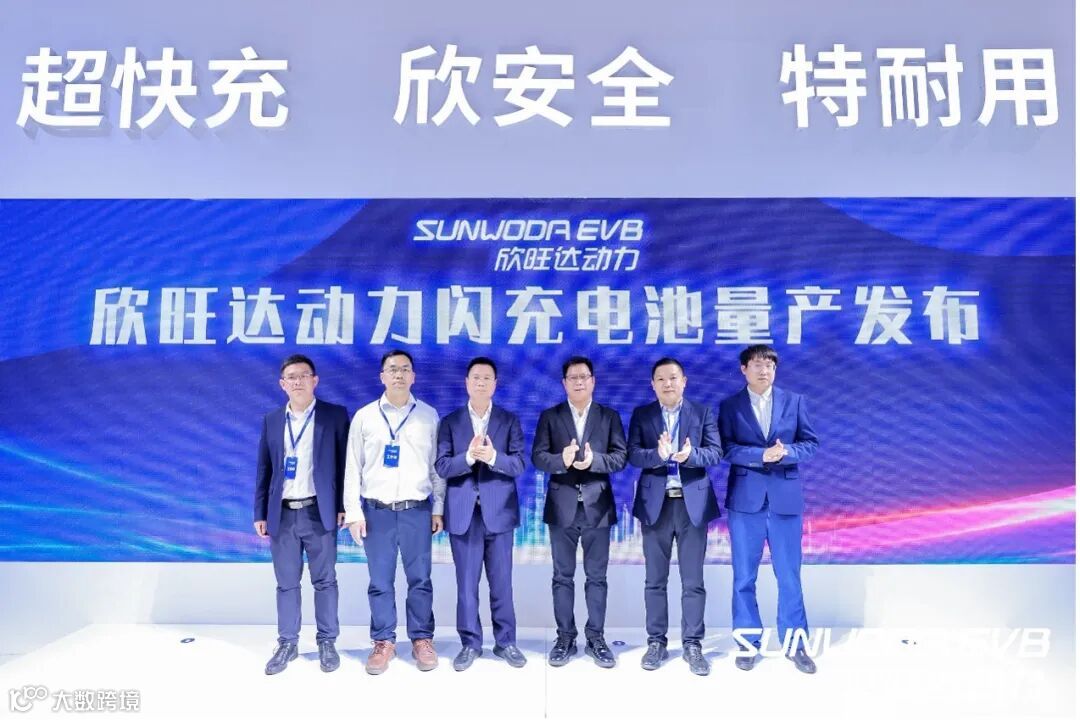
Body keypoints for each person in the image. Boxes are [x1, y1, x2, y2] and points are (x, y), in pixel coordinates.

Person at [718, 345, 820, 674]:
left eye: (770, 365)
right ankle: (748, 643)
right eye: (758, 365)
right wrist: (758, 455)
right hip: (745, 501)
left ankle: (795, 644)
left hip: (784, 499)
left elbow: (810, 444)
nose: (765, 371)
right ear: (744, 369)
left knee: (789, 575)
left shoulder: (795, 401)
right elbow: (725, 448)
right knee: (744, 577)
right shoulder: (730, 406)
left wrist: (786, 451)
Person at [344, 349, 445, 675]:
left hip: (417, 510)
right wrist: (353, 512)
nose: (399, 374)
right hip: (377, 513)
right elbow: (352, 467)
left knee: (420, 580)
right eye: (392, 369)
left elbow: (437, 468)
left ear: (413, 376)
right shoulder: (365, 417)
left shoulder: (428, 416)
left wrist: (438, 507)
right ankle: (383, 641)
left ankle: (421, 638)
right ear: (382, 376)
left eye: (404, 369)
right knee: (380, 581)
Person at [254, 354, 350, 675]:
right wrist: (260, 512)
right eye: (291, 377)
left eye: (303, 375)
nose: (297, 381)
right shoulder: (271, 420)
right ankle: (287, 643)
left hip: (319, 512)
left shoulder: (334, 416)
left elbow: (345, 466)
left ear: (314, 380)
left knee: (325, 581)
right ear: (282, 384)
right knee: (286, 584)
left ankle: (327, 641)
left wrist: (342, 506)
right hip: (281, 515)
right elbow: (264, 469)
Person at [627, 357, 723, 676]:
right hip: (656, 505)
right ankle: (656, 642)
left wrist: (690, 455)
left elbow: (715, 452)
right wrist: (657, 455)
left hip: (691, 504)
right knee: (655, 580)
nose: (667, 383)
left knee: (693, 581)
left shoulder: (702, 413)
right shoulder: (643, 415)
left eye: (673, 377)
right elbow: (633, 455)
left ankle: (692, 644)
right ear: (652, 384)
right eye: (661, 379)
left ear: (684, 381)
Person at [531, 355, 627, 668]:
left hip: (598, 507)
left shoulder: (609, 416)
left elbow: (620, 458)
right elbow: (538, 457)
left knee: (597, 577)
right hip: (562, 507)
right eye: (572, 377)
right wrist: (561, 459)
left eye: (584, 376)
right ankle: (565, 637)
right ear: (564, 383)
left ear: (593, 381)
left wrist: (593, 461)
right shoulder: (550, 416)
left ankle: (596, 638)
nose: (579, 382)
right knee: (562, 577)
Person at [435, 357, 527, 671]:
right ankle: (470, 644)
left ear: (495, 384)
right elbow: (442, 466)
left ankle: (506, 642)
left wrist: (493, 456)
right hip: (464, 516)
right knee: (466, 585)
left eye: (487, 378)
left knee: (502, 584)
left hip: (499, 513)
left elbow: (518, 464)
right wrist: (469, 457)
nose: (481, 383)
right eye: (476, 377)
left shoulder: (509, 420)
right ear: (467, 382)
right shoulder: (450, 422)